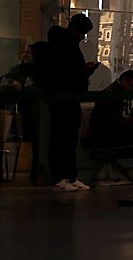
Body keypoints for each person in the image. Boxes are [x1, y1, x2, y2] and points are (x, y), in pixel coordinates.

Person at [32, 13, 99, 192]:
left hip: (67, 98)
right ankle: (61, 176)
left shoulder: (66, 45)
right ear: (76, 29)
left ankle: (69, 176)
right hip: (63, 98)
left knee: (67, 138)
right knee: (62, 137)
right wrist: (84, 71)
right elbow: (67, 72)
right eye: (83, 32)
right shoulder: (65, 47)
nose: (83, 37)